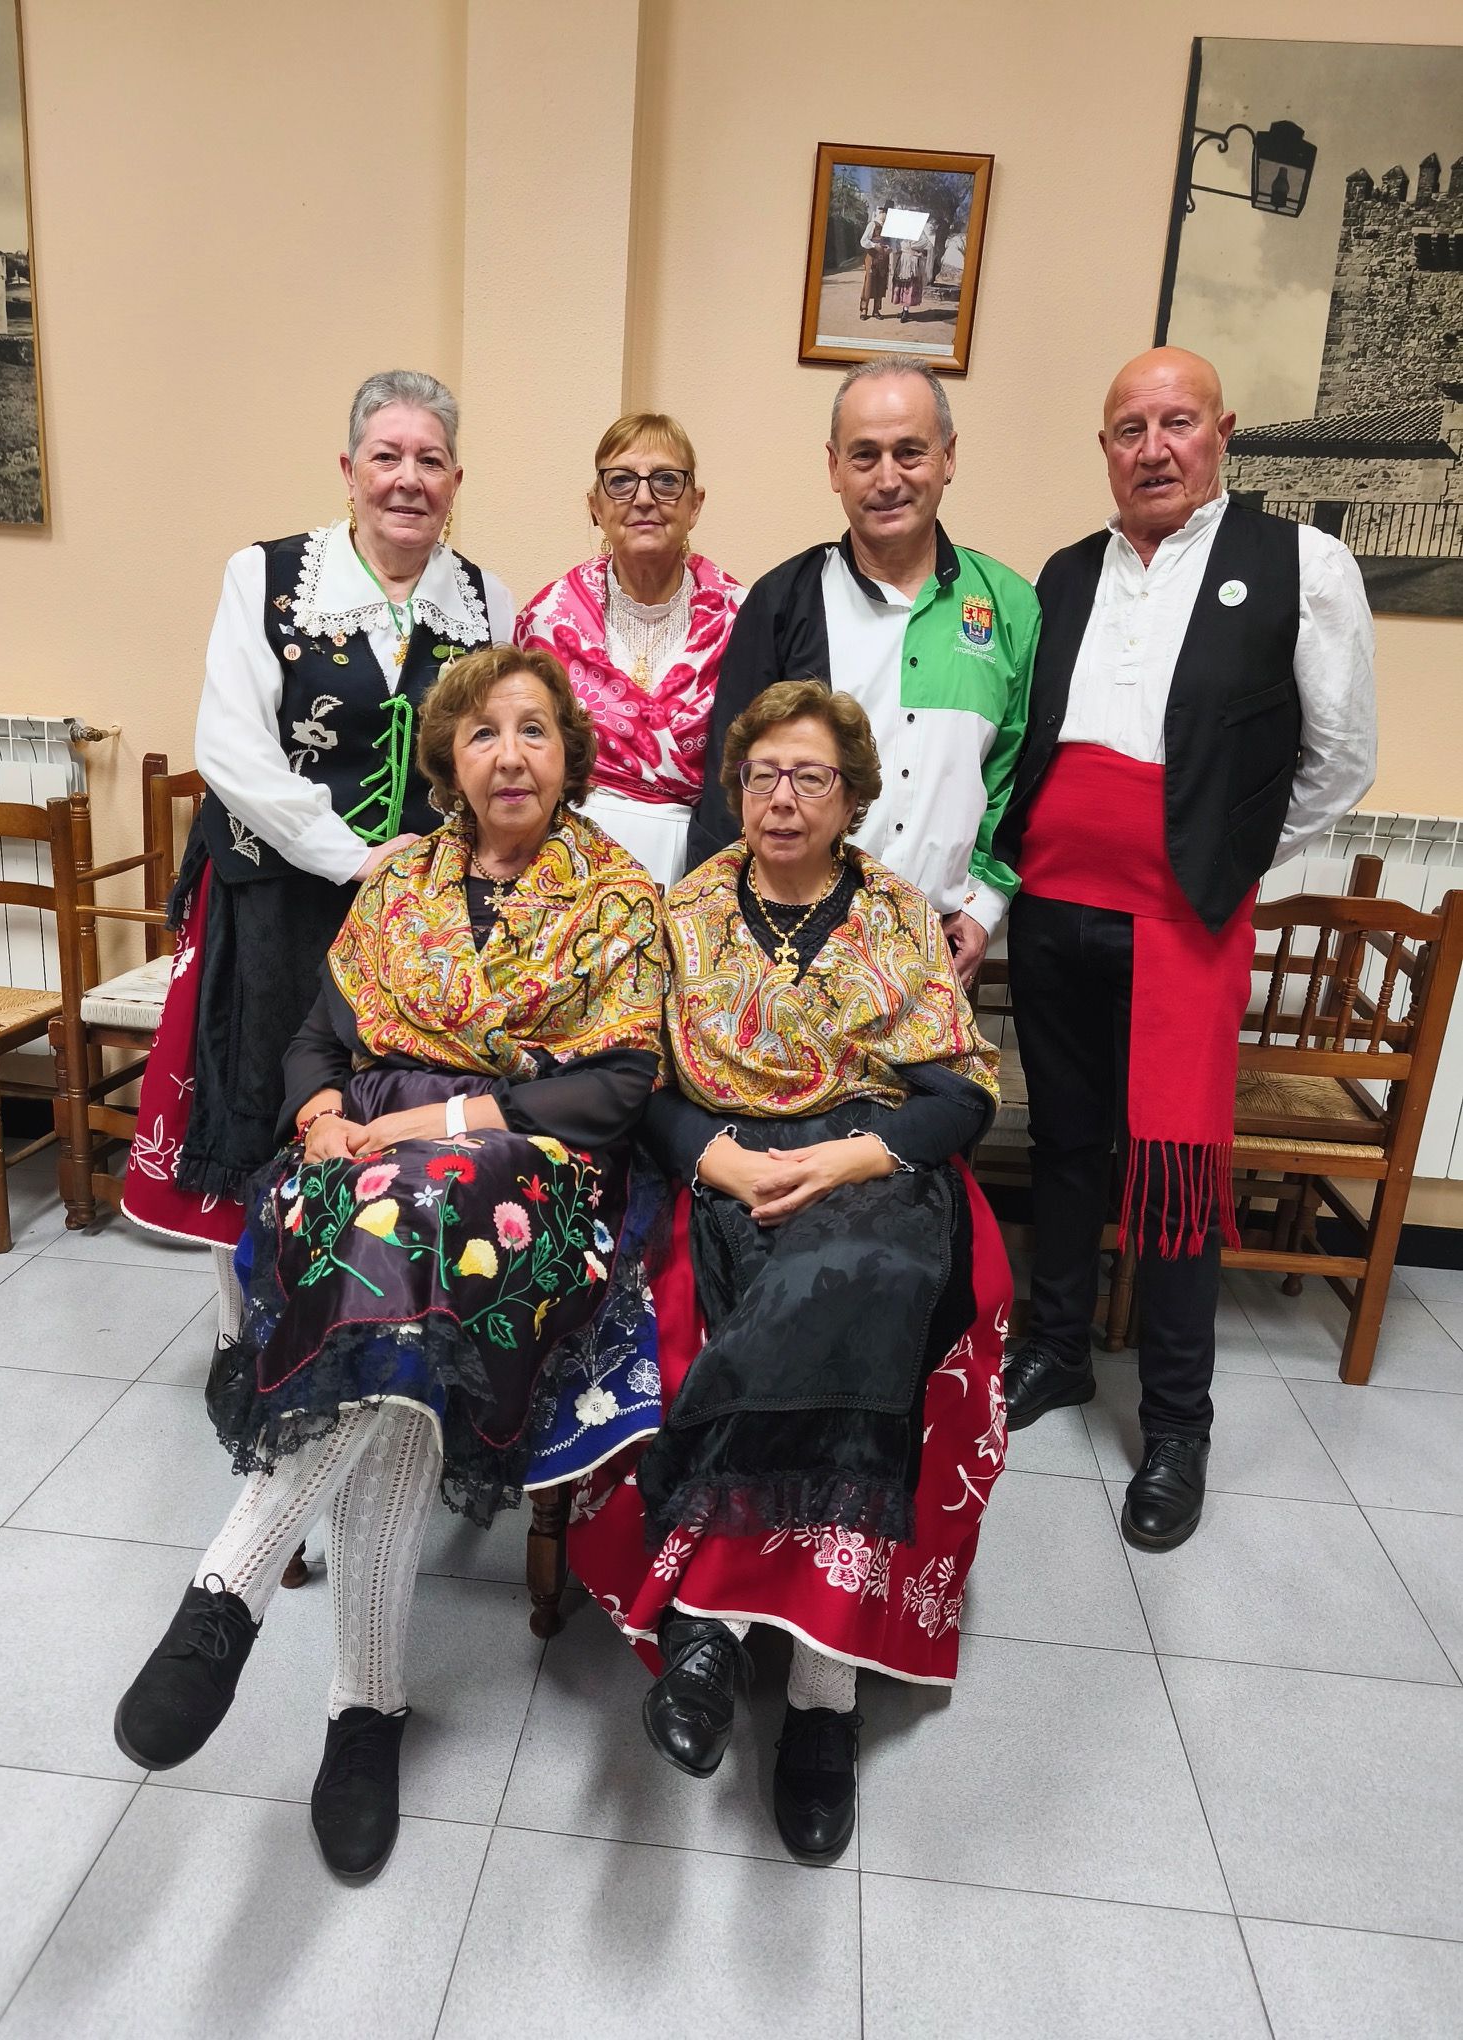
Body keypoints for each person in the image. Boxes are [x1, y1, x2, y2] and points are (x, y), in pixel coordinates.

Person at [112, 645, 666, 1881]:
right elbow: (318, 1036)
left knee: (422, 1234)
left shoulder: (618, 892)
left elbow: (621, 1082)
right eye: (483, 734)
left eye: (534, 730)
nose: (510, 753)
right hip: (356, 1160)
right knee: (396, 1291)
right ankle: (364, 1708)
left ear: (571, 755)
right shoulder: (400, 877)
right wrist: (318, 1120)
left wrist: (429, 1127)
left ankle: (233, 1585)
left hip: (526, 1168)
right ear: (449, 762)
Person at [570, 680, 1008, 1863]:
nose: (782, 797)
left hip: (868, 1161)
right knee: (772, 1287)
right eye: (763, 774)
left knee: (854, 1283)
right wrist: (720, 1160)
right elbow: (635, 1080)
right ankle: (770, 1667)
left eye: (811, 776)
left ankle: (783, 1673)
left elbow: (960, 1092)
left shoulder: (902, 918)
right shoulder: (684, 912)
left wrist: (841, 1158)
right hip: (723, 1165)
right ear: (735, 789)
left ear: (854, 797)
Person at [995, 346, 1377, 1550]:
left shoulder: (1300, 567)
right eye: (1127, 429)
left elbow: (1341, 756)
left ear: (1222, 434)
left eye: (1176, 423)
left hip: (1184, 924)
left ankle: (1175, 1427)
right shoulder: (1062, 575)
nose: (1152, 448)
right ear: (1104, 449)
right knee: (1061, 1146)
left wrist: (1224, 851)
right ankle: (1056, 1353)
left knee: (1171, 1179)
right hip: (1054, 910)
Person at [121, 370, 512, 1354]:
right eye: (387, 457)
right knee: (260, 1102)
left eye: (429, 460)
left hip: (412, 917)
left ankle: (359, 1318)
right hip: (273, 893)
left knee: (383, 1109)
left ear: (457, 478)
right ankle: (242, 1332)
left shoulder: (487, 600)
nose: (407, 479)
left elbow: (498, 746)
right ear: (348, 470)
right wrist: (352, 857)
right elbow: (233, 748)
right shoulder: (266, 575)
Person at [687, 355, 1039, 987]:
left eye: (910, 452)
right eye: (864, 455)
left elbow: (1016, 777)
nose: (887, 479)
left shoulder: (1011, 607)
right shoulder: (782, 602)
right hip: (791, 949)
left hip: (940, 947)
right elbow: (733, 782)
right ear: (833, 468)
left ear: (949, 457)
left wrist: (985, 910)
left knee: (946, 1093)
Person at [514, 413, 745, 888]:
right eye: (620, 481)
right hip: (563, 862)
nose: (643, 498)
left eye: (665, 481)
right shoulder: (546, 621)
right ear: (595, 505)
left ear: (695, 504)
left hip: (702, 866)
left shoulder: (741, 619)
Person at [859, 207, 890, 319]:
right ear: (883, 213)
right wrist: (874, 245)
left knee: (881, 282)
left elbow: (892, 242)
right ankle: (864, 310)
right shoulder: (873, 224)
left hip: (884, 258)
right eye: (886, 213)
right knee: (869, 282)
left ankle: (876, 310)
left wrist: (889, 248)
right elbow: (863, 241)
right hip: (872, 257)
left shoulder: (889, 227)